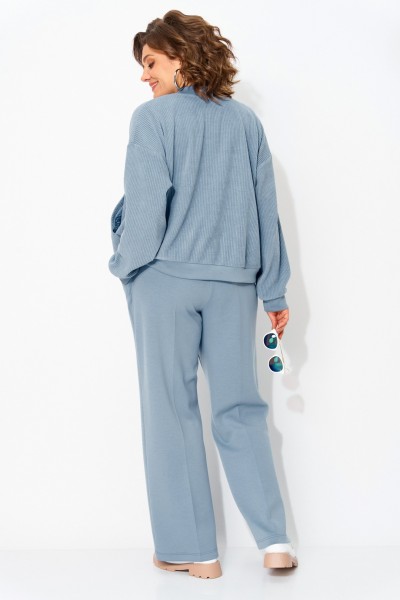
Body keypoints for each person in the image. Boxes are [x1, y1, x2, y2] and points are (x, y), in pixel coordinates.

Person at [108, 10, 297, 579]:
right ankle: (275, 542)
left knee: (171, 411)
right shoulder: (245, 123)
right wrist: (273, 289)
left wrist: (123, 265)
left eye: (151, 63)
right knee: (241, 409)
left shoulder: (152, 119)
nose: (144, 76)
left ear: (181, 56)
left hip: (164, 280)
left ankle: (197, 554)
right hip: (234, 284)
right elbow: (266, 211)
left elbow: (146, 209)